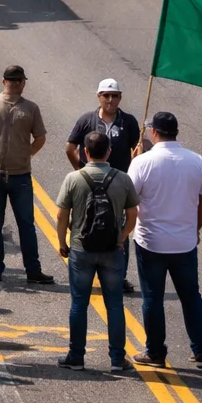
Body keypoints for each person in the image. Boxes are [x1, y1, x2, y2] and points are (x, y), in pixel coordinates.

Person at [129, 111, 202, 369]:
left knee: (152, 298)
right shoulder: (196, 161)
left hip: (151, 243)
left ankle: (155, 352)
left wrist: (133, 163)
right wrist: (195, 227)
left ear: (154, 132)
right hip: (184, 243)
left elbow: (129, 199)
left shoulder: (142, 162)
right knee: (191, 297)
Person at [55, 131, 139, 373]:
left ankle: (76, 356)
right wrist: (121, 238)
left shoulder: (74, 178)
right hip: (113, 250)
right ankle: (116, 359)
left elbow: (62, 215)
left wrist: (63, 242)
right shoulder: (122, 179)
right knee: (114, 304)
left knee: (79, 304)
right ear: (109, 151)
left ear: (85, 152)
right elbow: (132, 215)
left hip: (82, 249)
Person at [0, 64, 55, 284]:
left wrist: (27, 155)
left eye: (19, 80)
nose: (17, 83)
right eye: (14, 80)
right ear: (4, 81)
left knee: (23, 224)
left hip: (20, 175)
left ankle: (31, 271)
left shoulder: (31, 108)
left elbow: (40, 138)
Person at [65, 77, 141, 292]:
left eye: (114, 96)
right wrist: (79, 170)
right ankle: (85, 270)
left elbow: (138, 148)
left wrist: (140, 152)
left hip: (117, 185)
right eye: (106, 96)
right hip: (90, 184)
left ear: (120, 97)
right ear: (98, 97)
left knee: (120, 227)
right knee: (85, 222)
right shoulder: (87, 120)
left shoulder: (128, 122)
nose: (110, 100)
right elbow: (70, 147)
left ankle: (120, 275)